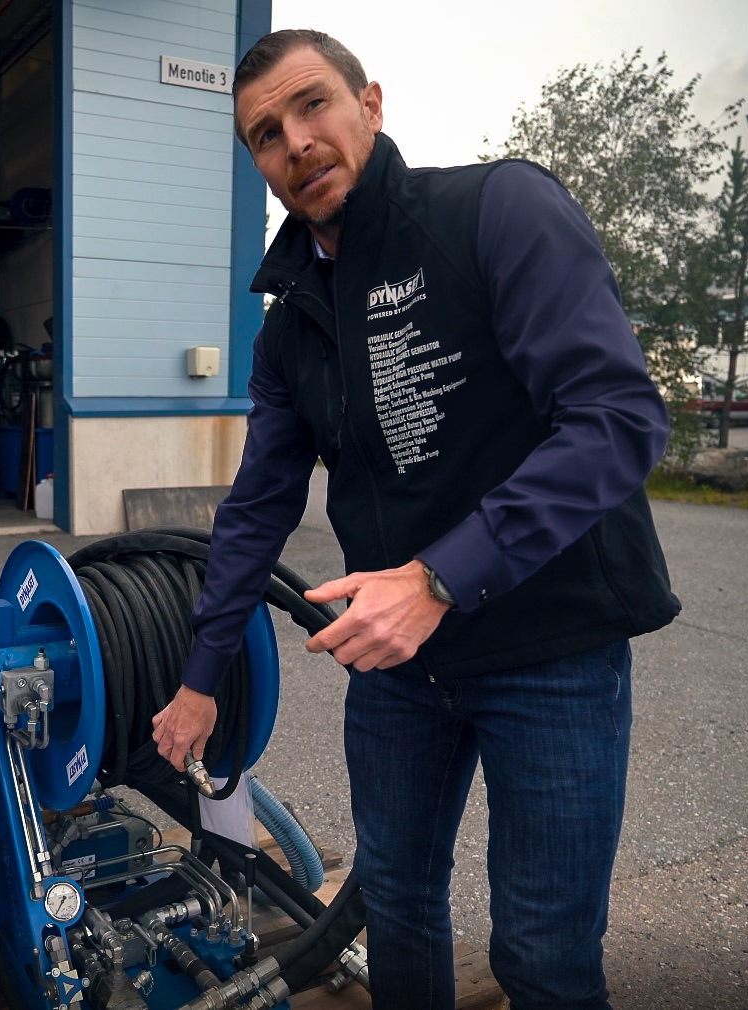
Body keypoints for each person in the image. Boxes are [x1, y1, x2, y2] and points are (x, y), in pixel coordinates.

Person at [150, 28, 680, 1010]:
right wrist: (196, 681)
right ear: (258, 165)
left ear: (371, 104)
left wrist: (437, 576)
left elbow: (618, 419)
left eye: (314, 106)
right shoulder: (290, 319)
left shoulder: (495, 211)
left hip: (551, 649)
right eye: (265, 134)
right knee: (394, 904)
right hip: (402, 672)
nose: (296, 141)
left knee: (540, 952)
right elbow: (257, 507)